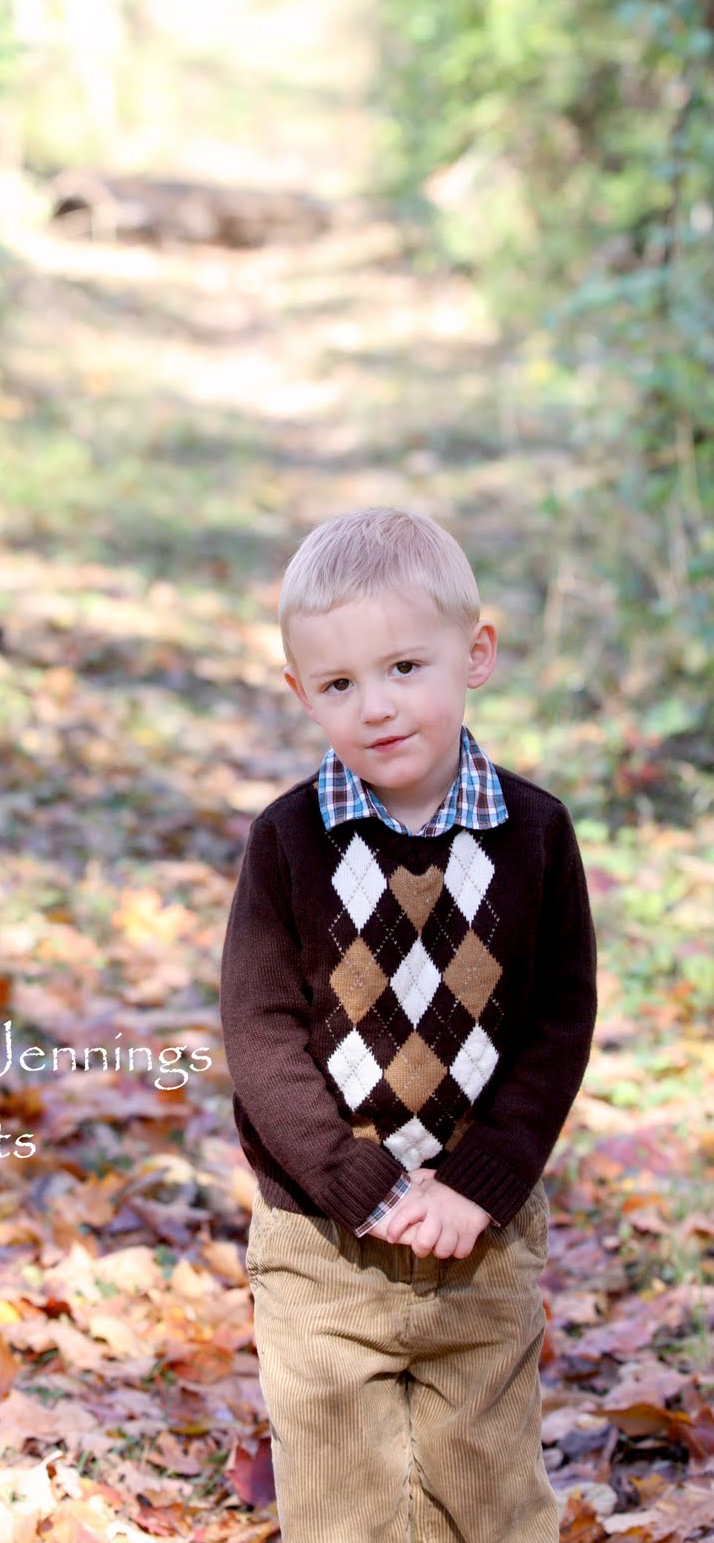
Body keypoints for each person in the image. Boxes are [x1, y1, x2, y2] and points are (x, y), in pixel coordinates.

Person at [219, 507, 597, 1543]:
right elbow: (257, 1035)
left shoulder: (533, 835)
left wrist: (481, 1183)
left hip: (478, 1232)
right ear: (300, 693)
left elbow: (558, 1022)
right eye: (338, 685)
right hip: (320, 1239)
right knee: (342, 1500)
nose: (375, 707)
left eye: (402, 667)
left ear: (473, 655)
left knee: (486, 1486)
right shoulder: (289, 841)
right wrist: (352, 1180)